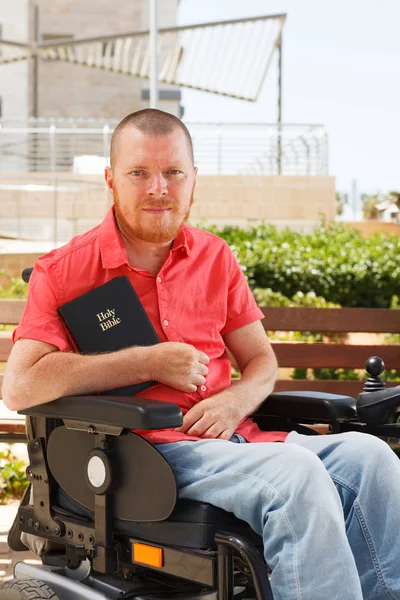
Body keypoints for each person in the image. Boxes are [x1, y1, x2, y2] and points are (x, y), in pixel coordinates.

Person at [2, 109, 400, 600]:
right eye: (139, 173)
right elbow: (20, 386)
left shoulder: (216, 257)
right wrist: (145, 362)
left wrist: (234, 403)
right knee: (296, 478)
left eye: (173, 173)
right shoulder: (64, 271)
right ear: (111, 180)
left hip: (235, 439)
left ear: (194, 181)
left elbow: (262, 362)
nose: (158, 188)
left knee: (372, 458)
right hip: (143, 453)